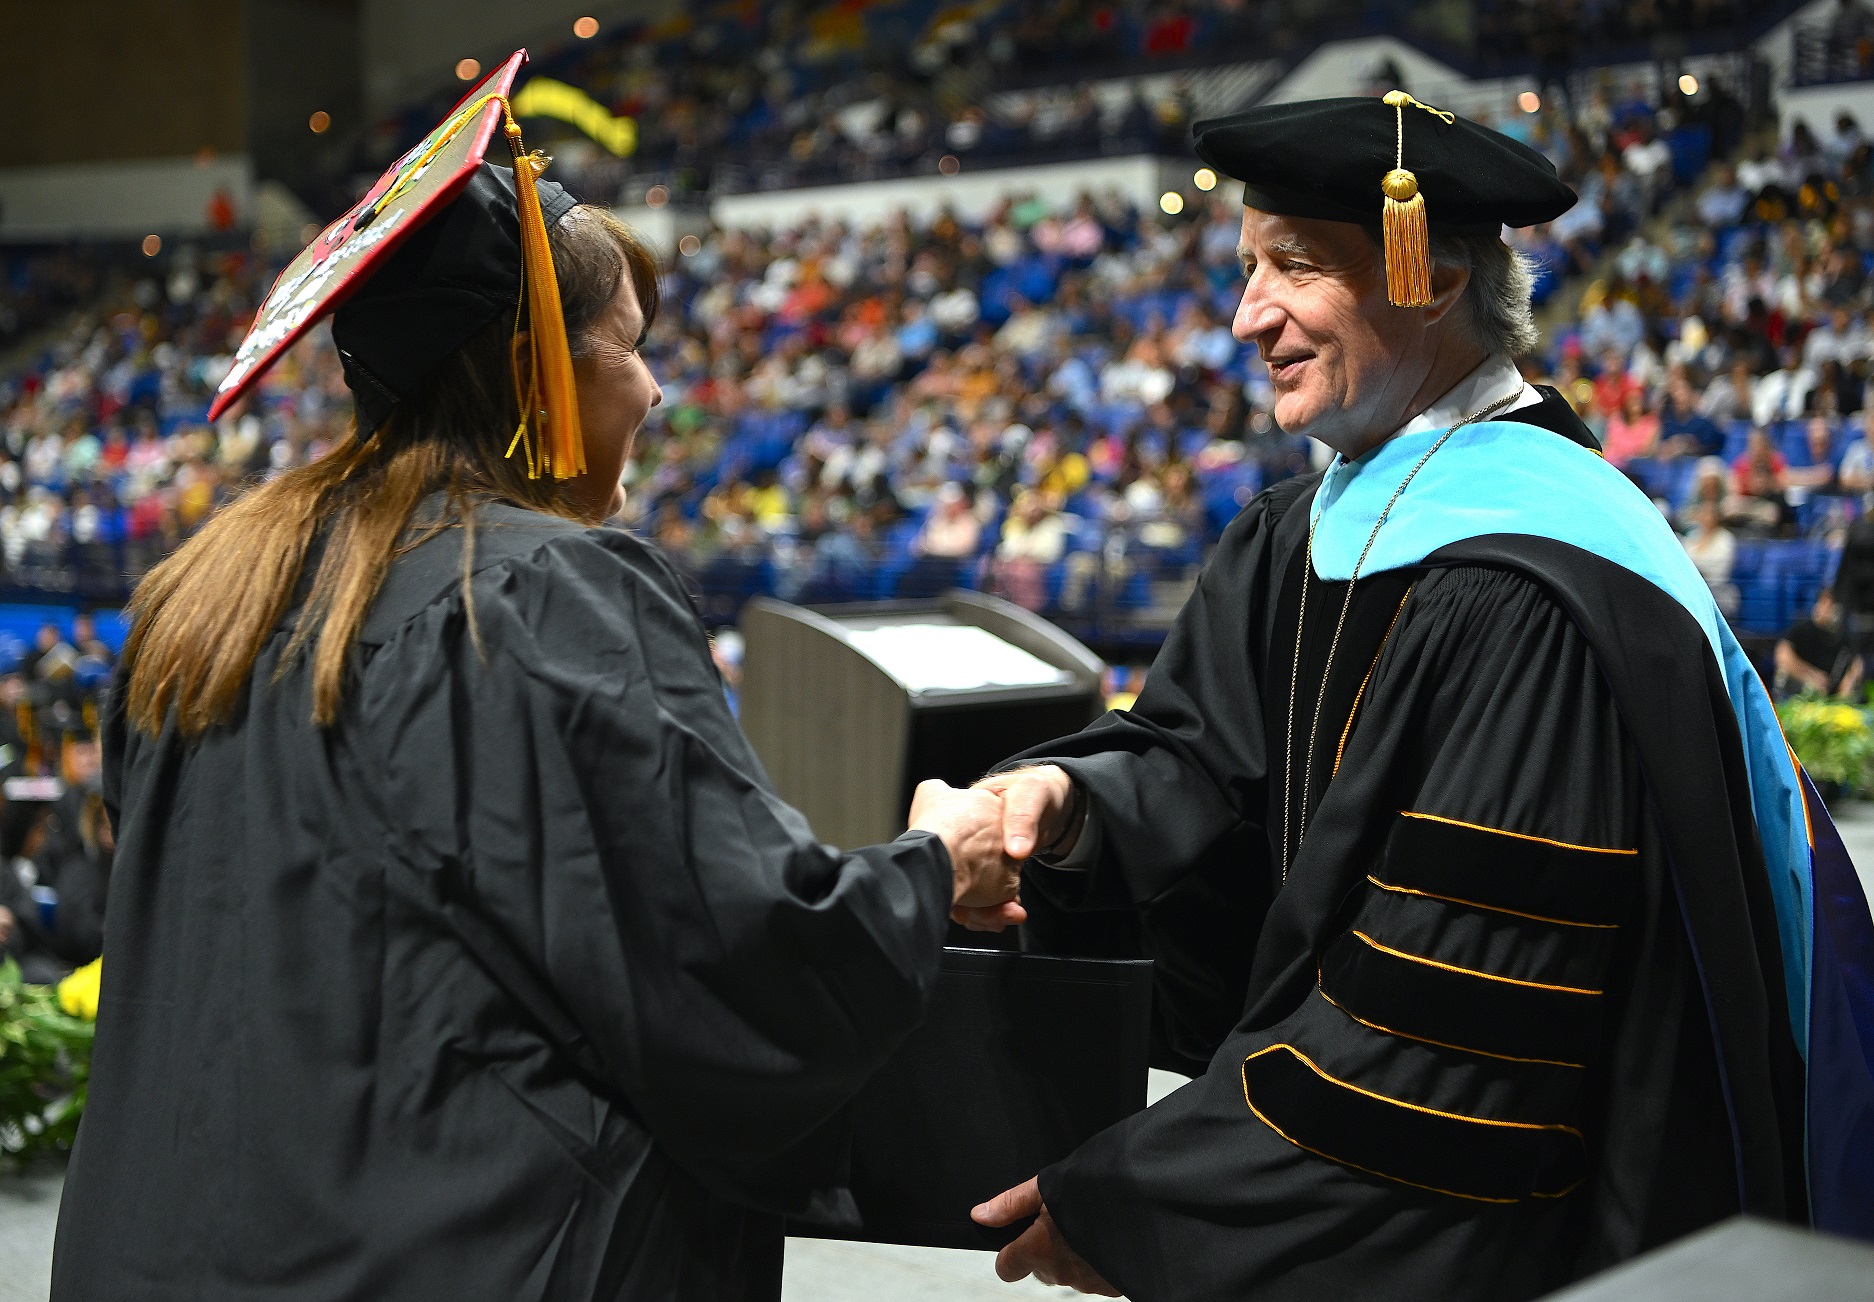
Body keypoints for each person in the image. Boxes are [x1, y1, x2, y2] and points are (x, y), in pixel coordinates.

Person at [51, 58, 1017, 1302]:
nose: (657, 389)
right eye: (627, 348)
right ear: (537, 367)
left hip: (166, 1249)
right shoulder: (547, 593)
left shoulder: (201, 599)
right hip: (455, 1256)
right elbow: (734, 962)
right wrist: (930, 867)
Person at [956, 92, 1870, 1298]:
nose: (1244, 317)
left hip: (1523, 1234)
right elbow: (1194, 758)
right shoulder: (1301, 529)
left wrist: (1153, 1194)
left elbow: (1451, 1019)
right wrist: (1057, 803)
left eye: (1291, 266)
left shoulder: (1539, 577)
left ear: (1426, 278)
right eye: (1243, 269)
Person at [1776, 588, 1863, 699]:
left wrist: (1848, 682)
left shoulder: (1843, 632)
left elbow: (1856, 663)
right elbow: (1782, 656)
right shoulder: (1802, 628)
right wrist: (1810, 675)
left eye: (1831, 604)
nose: (1828, 608)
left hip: (1831, 695)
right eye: (1825, 603)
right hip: (1798, 693)